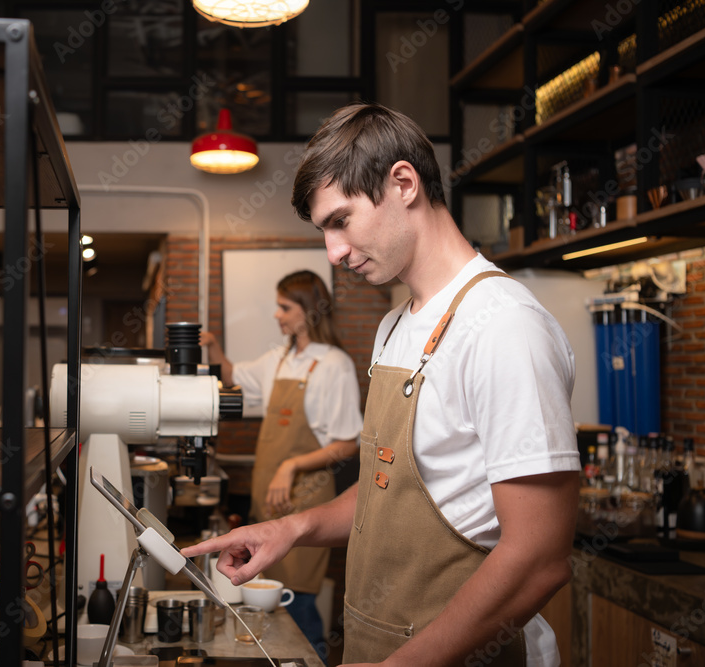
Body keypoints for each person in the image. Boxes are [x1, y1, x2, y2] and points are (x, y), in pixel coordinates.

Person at [183, 103, 580, 667]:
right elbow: (385, 494)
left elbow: (540, 559)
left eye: (340, 221)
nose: (335, 253)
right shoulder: (395, 326)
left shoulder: (503, 325)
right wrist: (291, 528)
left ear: (403, 183)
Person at [201, 270, 363, 659]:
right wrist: (214, 349)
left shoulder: (333, 364)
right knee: (270, 604)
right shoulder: (280, 359)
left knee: (299, 605)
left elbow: (348, 443)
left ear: (309, 311)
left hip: (307, 502)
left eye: (284, 307)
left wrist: (291, 465)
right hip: (269, 500)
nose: (277, 315)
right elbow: (232, 375)